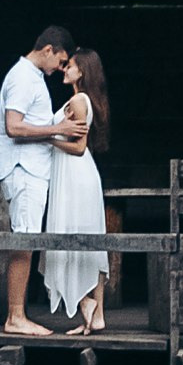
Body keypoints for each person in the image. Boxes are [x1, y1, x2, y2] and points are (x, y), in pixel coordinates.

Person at [0, 26, 87, 337]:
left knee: (28, 239)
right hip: (22, 169)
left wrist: (57, 123)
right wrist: (58, 129)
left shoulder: (32, 77)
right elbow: (14, 127)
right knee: (24, 240)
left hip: (31, 170)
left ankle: (18, 314)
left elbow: (30, 123)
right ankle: (15, 317)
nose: (60, 68)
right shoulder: (23, 77)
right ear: (48, 50)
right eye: (60, 62)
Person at [42, 47, 111, 333]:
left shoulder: (79, 100)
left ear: (81, 71)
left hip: (76, 175)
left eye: (69, 65)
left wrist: (48, 138)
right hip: (75, 175)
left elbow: (80, 148)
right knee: (87, 240)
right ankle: (97, 315)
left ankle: (85, 302)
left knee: (71, 237)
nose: (64, 68)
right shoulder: (81, 99)